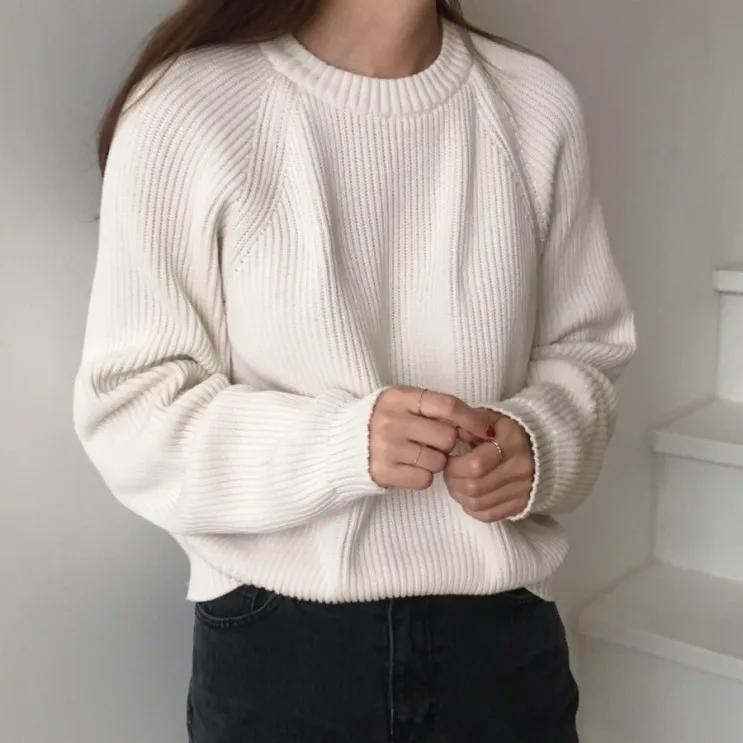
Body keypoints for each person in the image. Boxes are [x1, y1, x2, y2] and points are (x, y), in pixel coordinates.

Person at [73, 0, 636, 740]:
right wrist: (342, 443)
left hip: (500, 640)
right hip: (281, 647)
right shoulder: (187, 108)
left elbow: (587, 352)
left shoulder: (534, 103)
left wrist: (538, 443)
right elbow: (130, 409)